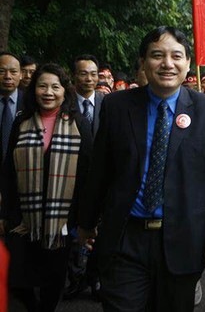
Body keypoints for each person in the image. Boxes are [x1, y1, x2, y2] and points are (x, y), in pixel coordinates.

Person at [77, 26, 205, 311]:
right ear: (143, 62)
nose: (167, 63)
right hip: (126, 237)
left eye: (176, 56)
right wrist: (86, 222)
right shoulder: (116, 106)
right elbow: (99, 170)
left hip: (183, 239)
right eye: (157, 55)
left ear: (188, 63)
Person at [0, 63, 93, 312]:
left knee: (53, 282)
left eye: (55, 86)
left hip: (61, 222)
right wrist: (6, 213)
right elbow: (8, 170)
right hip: (23, 219)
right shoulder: (22, 122)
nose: (48, 92)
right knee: (18, 280)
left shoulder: (79, 124)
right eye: (42, 86)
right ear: (34, 90)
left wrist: (83, 220)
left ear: (65, 91)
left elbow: (87, 176)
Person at [65, 54, 104, 300]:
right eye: (83, 73)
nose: (88, 79)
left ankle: (96, 278)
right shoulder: (64, 104)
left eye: (93, 74)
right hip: (70, 180)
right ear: (73, 76)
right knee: (72, 232)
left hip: (101, 180)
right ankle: (75, 278)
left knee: (100, 232)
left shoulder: (108, 103)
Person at [0, 52, 24, 164]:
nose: (8, 76)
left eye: (13, 72)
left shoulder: (30, 103)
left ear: (21, 74)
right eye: (1, 71)